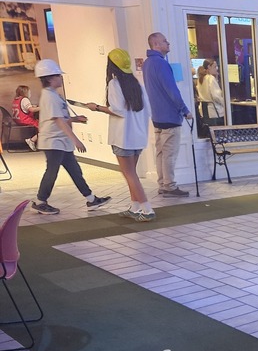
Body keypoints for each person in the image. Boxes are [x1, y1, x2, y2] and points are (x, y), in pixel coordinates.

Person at [31, 59, 111, 216]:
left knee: (75, 170)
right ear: (49, 78)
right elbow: (58, 120)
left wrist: (75, 119)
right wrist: (76, 139)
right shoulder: (49, 97)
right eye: (58, 76)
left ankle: (91, 199)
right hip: (53, 142)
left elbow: (59, 117)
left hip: (61, 141)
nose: (61, 78)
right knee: (52, 172)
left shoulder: (54, 95)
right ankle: (41, 201)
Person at [85, 49, 155, 222]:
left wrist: (97, 107)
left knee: (129, 174)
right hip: (138, 136)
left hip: (123, 137)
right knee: (132, 174)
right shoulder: (137, 84)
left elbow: (117, 110)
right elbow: (148, 110)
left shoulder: (114, 84)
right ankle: (135, 207)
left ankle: (147, 209)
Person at [141, 31, 193, 197]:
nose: (168, 43)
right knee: (169, 153)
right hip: (170, 116)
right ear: (156, 44)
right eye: (164, 41)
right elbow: (172, 90)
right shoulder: (161, 64)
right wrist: (185, 110)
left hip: (157, 116)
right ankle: (169, 185)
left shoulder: (147, 63)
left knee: (161, 152)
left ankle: (163, 182)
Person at [197, 59, 225, 125]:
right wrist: (224, 104)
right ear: (209, 67)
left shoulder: (200, 79)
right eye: (215, 67)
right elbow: (216, 96)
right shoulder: (211, 78)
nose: (217, 69)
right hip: (213, 110)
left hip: (204, 110)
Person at [12, 84, 39, 150]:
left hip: (17, 120)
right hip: (25, 120)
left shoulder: (15, 100)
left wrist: (32, 106)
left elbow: (22, 108)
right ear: (25, 92)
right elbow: (31, 110)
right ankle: (32, 140)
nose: (30, 93)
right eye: (29, 92)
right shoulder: (25, 99)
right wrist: (42, 107)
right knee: (44, 127)